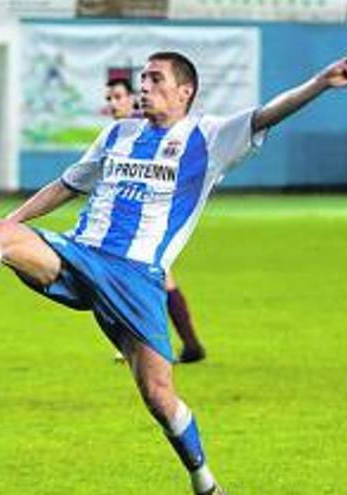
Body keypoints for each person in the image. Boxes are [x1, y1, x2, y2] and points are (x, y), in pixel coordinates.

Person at [0, 52, 347, 494]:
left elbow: (268, 113)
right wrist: (9, 227)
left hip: (138, 279)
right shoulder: (117, 135)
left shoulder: (209, 137)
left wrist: (321, 83)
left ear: (184, 91)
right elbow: (67, 185)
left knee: (159, 397)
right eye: (142, 79)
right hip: (81, 255)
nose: (144, 87)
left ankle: (204, 480)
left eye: (155, 80)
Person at [105, 77, 206, 364]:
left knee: (136, 280)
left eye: (117, 97)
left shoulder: (149, 131)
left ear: (131, 99)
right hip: (133, 225)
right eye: (109, 99)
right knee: (156, 281)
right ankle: (190, 346)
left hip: (151, 222)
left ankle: (148, 345)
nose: (113, 104)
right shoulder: (121, 133)